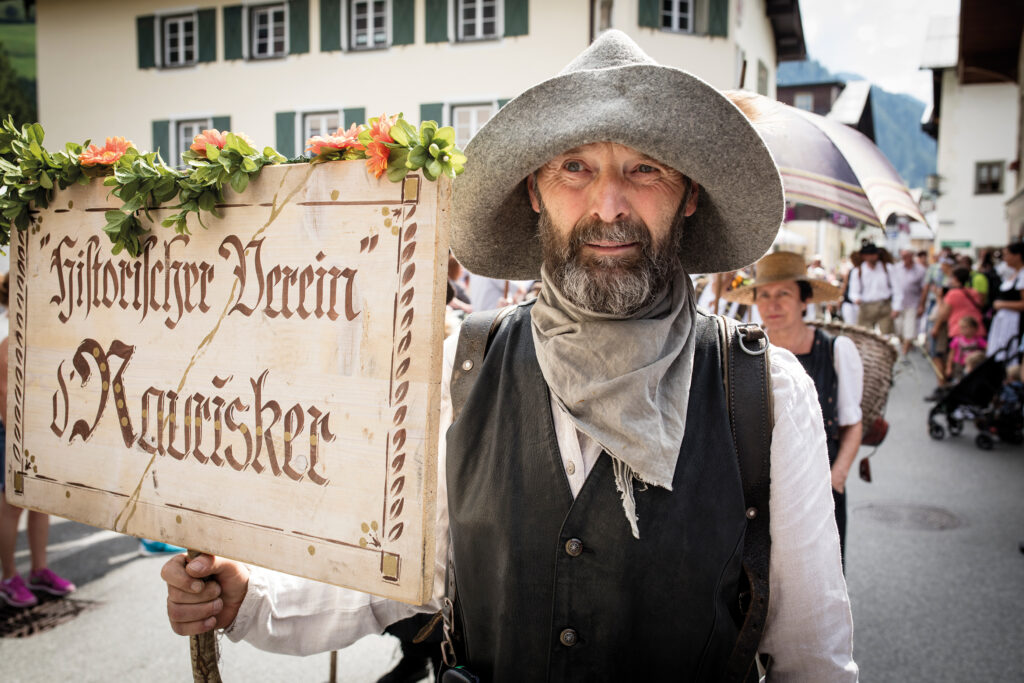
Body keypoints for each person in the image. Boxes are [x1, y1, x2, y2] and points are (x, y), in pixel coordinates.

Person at [161, 31, 856, 680]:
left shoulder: (766, 392)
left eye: (644, 169)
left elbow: (813, 651)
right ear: (535, 190)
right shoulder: (461, 366)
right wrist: (248, 596)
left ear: (689, 195)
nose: (608, 204)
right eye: (574, 167)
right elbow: (399, 577)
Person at [723, 251, 863, 566]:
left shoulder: (836, 352)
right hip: (759, 495)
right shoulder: (746, 354)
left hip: (819, 488)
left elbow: (853, 423)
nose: (772, 305)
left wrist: (835, 479)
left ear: (805, 300)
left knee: (818, 574)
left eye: (784, 294)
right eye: (765, 295)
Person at [0, 274, 77, 607]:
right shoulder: (8, 336)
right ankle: (8, 577)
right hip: (12, 431)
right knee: (11, 504)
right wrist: (20, 440)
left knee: (42, 500)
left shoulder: (30, 329)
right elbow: (5, 394)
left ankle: (39, 570)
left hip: (35, 428)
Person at [927, 267, 985, 398]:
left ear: (956, 279)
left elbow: (943, 314)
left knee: (951, 359)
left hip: (960, 330)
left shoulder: (953, 294)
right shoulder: (973, 292)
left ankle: (944, 389)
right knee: (974, 364)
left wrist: (939, 298)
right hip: (977, 330)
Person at [987, 242, 1024, 361]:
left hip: (1015, 322)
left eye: (1006, 254)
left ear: (1017, 255)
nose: (1004, 258)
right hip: (1004, 321)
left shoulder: (1022, 276)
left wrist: (1002, 304)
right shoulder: (1014, 274)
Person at [848, 242, 895, 334]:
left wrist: (896, 307)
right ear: (864, 256)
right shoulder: (858, 271)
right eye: (868, 255)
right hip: (866, 306)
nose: (871, 257)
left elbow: (896, 288)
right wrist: (856, 299)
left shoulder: (887, 268)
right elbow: (853, 291)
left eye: (873, 254)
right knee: (864, 335)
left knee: (886, 335)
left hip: (884, 305)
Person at [893, 248, 926, 357]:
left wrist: (921, 305)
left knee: (910, 328)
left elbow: (924, 289)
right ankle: (905, 346)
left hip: (913, 303)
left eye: (907, 255)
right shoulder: (897, 268)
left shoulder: (920, 270)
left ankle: (904, 353)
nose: (906, 258)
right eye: (904, 256)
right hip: (898, 304)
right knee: (898, 328)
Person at [946, 315, 987, 383]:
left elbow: (987, 348)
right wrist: (949, 367)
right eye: (961, 328)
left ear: (974, 329)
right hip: (959, 367)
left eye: (965, 327)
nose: (962, 330)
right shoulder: (957, 340)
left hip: (972, 367)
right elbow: (951, 355)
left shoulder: (978, 340)